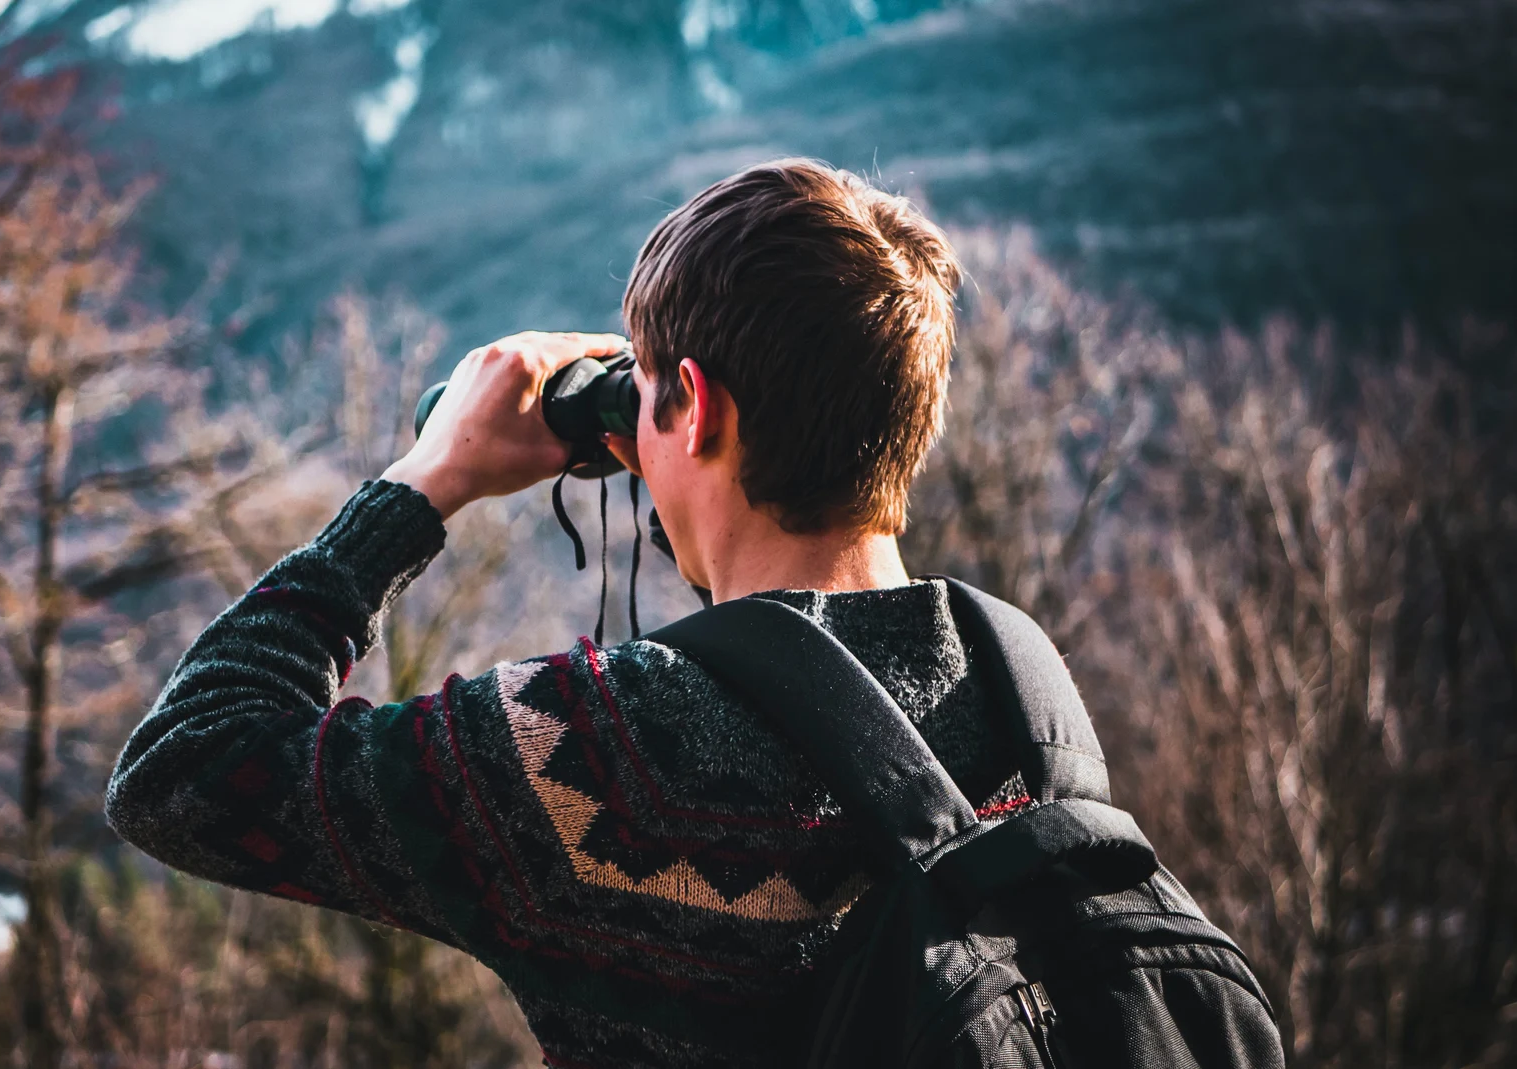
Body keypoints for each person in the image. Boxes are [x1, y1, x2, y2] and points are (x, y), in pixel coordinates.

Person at [106, 158, 1012, 1067]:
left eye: (649, 385)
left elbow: (183, 771)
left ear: (694, 407)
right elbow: (797, 664)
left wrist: (425, 481)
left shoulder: (607, 769)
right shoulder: (1017, 697)